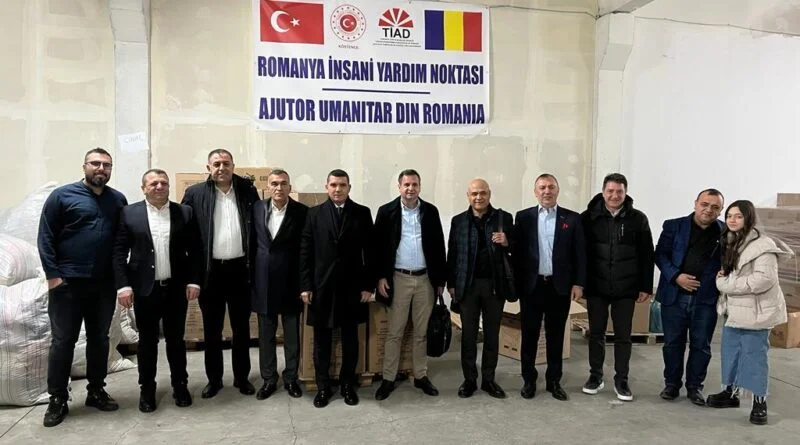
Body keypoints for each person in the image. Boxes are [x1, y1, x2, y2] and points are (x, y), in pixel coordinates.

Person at [37, 148, 128, 427]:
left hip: (103, 285)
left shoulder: (117, 200)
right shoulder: (62, 196)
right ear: (84, 166)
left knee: (100, 339)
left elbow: (121, 241)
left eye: (106, 165)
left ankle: (96, 390)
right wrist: (53, 276)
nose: (101, 168)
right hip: (68, 283)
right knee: (63, 341)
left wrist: (120, 279)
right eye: (95, 163)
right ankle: (57, 399)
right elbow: (45, 236)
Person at [113, 169, 201, 412]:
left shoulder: (184, 212)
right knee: (147, 342)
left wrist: (194, 281)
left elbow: (195, 250)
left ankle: (180, 385)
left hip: (176, 288)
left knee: (176, 340)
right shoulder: (129, 213)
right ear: (143, 188)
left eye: (163, 183)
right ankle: (147, 389)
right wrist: (123, 285)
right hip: (145, 290)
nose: (159, 187)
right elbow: (119, 252)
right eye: (153, 183)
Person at [181, 149, 260, 398]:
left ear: (233, 166)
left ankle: (242, 378)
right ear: (208, 168)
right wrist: (192, 274)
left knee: (241, 328)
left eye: (226, 163)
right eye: (216, 164)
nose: (221, 168)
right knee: (212, 329)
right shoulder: (195, 194)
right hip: (211, 272)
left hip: (240, 270)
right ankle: (214, 380)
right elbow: (186, 235)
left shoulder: (247, 191)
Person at [707, 200, 792, 425]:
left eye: (738, 216)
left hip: (756, 312)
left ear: (749, 218)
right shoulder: (731, 242)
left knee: (754, 358)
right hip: (734, 310)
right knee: (731, 354)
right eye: (729, 216)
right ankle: (731, 393)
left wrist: (725, 284)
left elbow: (764, 279)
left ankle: (759, 403)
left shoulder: (762, 246)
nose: (732, 220)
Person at [299, 169, 374, 408]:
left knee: (351, 340)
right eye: (333, 185)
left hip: (352, 288)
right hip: (321, 288)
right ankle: (323, 387)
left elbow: (370, 252)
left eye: (342, 185)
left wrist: (368, 286)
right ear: (327, 187)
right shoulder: (314, 214)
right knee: (322, 341)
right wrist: (306, 285)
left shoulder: (362, 213)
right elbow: (305, 252)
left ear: (349, 188)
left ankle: (347, 386)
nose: (338, 189)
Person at [372, 169, 447, 401]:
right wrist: (380, 277)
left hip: (425, 280)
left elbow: (439, 246)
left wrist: (440, 280)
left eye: (414, 184)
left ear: (419, 187)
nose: (410, 189)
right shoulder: (386, 212)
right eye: (406, 185)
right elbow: (378, 248)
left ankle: (420, 375)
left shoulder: (430, 211)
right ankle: (388, 378)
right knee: (395, 332)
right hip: (399, 279)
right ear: (399, 187)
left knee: (421, 333)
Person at [580, 173, 654, 402]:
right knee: (596, 334)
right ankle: (595, 376)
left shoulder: (638, 219)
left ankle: (622, 379)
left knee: (623, 336)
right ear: (603, 192)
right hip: (596, 286)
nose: (614, 195)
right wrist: (580, 283)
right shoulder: (588, 218)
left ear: (625, 193)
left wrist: (646, 286)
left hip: (626, 288)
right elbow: (579, 253)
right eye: (610, 191)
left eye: (619, 191)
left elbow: (647, 254)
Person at [512, 174, 585, 401]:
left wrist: (579, 283)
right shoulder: (523, 217)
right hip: (532, 287)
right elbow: (517, 253)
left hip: (559, 286)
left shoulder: (572, 219)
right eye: (542, 187)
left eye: (551, 187)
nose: (547, 191)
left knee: (556, 336)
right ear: (535, 192)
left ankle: (554, 381)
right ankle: (529, 380)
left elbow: (580, 254)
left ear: (557, 190)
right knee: (529, 335)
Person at [654, 189, 725, 406]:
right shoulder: (673, 226)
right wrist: (676, 276)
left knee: (701, 346)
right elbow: (660, 254)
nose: (708, 210)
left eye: (715, 207)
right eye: (705, 204)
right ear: (695, 203)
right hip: (675, 296)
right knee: (672, 344)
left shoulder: (725, 232)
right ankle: (672, 384)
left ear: (720, 210)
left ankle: (695, 387)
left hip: (705, 299)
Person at [447, 178, 514, 399]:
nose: (478, 197)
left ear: (489, 194)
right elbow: (452, 253)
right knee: (468, 335)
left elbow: (518, 247)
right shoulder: (459, 221)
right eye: (474, 193)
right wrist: (451, 284)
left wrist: (507, 241)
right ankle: (469, 380)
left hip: (494, 286)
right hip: (467, 286)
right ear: (468, 196)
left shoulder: (503, 218)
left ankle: (488, 380)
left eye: (483, 193)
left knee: (492, 335)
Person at [249, 169, 307, 400]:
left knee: (292, 336)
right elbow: (252, 243)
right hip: (262, 281)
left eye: (283, 183)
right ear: (268, 187)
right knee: (266, 336)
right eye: (274, 183)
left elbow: (305, 250)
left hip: (291, 282)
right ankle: (269, 379)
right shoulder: (256, 209)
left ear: (290, 187)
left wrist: (305, 284)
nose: (279, 188)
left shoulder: (302, 212)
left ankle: (291, 378)